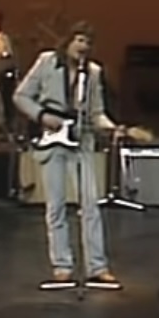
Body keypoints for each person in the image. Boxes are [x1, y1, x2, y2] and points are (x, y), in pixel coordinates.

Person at [13, 20, 123, 290]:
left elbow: (97, 112)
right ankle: (62, 267)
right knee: (56, 206)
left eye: (88, 42)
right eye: (79, 40)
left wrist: (111, 127)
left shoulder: (93, 72)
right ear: (69, 41)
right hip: (54, 140)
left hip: (81, 141)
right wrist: (42, 116)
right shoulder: (47, 62)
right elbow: (21, 96)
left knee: (91, 204)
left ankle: (98, 267)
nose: (83, 46)